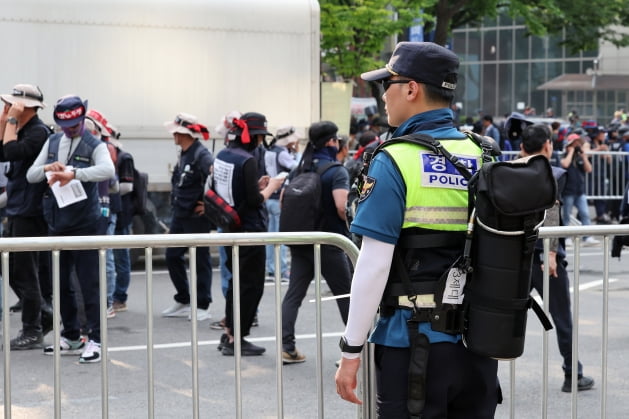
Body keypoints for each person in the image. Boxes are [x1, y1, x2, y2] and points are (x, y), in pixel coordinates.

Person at [335, 42, 501, 417]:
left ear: (411, 89)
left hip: (411, 343)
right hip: (479, 343)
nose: (383, 97)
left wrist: (350, 351)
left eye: (386, 85)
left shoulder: (395, 158)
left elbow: (374, 264)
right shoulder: (485, 154)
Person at [26, 94, 116, 363]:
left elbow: (107, 171)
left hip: (86, 224)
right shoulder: (53, 141)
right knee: (61, 283)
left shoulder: (95, 144)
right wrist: (48, 168)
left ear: (83, 119)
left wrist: (74, 173)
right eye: (66, 125)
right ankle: (72, 335)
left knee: (89, 284)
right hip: (57, 222)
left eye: (76, 124)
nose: (71, 129)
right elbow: (31, 175)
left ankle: (96, 340)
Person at [520, 124, 595, 393]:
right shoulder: (552, 173)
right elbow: (551, 211)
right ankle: (572, 374)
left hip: (513, 259)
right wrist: (550, 252)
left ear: (521, 148)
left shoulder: (509, 172)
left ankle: (483, 375)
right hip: (543, 259)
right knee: (562, 317)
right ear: (548, 146)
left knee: (501, 317)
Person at [212, 112, 284, 356]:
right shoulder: (248, 160)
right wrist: (271, 187)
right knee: (251, 286)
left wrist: (256, 186)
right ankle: (236, 338)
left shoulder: (223, 154)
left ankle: (230, 333)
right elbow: (253, 201)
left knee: (235, 282)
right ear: (254, 137)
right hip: (250, 230)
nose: (261, 141)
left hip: (230, 226)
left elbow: (233, 190)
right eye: (260, 136)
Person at [281, 121, 352, 364]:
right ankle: (354, 353)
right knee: (346, 296)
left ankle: (286, 347)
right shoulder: (336, 171)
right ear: (332, 142)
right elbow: (342, 207)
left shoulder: (299, 168)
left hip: (301, 240)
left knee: (294, 294)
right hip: (329, 242)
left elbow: (284, 200)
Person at [0, 84, 53, 350]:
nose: (8, 108)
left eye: (12, 105)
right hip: (18, 208)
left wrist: (10, 119)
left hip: (31, 212)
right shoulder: (21, 130)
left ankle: (33, 329)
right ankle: (43, 311)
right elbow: (1, 151)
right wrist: (5, 120)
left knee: (25, 272)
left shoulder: (38, 133)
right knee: (8, 267)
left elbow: (10, 152)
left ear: (26, 106)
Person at [161, 113, 214, 321]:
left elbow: (216, 176)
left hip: (195, 216)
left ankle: (203, 304)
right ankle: (184, 299)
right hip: (180, 214)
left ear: (185, 133)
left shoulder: (202, 155)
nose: (173, 134)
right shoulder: (184, 153)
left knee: (200, 259)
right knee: (172, 255)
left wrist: (208, 205)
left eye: (176, 131)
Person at [264, 125, 299, 280]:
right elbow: (297, 167)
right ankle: (282, 270)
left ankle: (271, 268)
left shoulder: (270, 151)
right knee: (281, 238)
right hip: (279, 198)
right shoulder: (283, 154)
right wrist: (296, 153)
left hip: (268, 196)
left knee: (270, 237)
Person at [560, 133, 600, 246]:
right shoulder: (564, 156)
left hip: (580, 191)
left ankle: (587, 237)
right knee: (566, 215)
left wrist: (584, 157)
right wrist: (571, 151)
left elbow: (589, 169)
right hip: (568, 191)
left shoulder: (580, 157)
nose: (578, 145)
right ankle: (566, 237)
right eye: (576, 143)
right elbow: (565, 164)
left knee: (585, 213)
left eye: (579, 143)